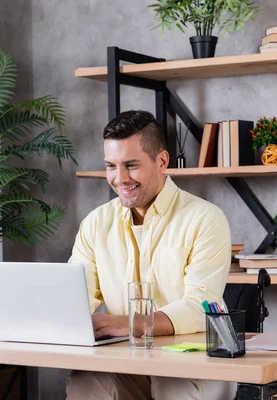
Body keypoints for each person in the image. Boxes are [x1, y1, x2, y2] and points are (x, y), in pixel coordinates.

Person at [66, 110, 234, 400]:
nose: (120, 179)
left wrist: (129, 323)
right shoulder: (95, 223)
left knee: (170, 386)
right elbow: (72, 295)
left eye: (131, 165)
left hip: (195, 365)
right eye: (111, 166)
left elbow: (200, 306)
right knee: (86, 382)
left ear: (162, 162)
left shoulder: (205, 219)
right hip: (127, 360)